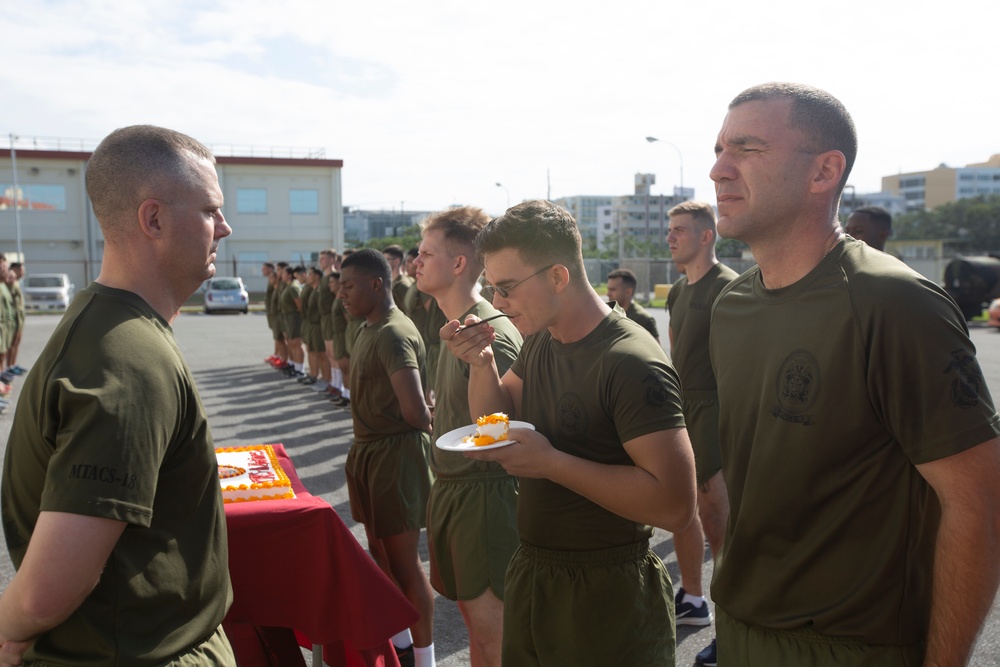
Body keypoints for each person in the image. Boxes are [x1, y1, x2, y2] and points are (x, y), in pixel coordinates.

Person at [708, 82, 1000, 666]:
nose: (718, 169)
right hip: (739, 627)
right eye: (718, 150)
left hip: (850, 646)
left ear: (824, 171)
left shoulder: (893, 302)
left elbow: (980, 502)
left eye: (747, 149)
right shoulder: (731, 306)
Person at [0, 125, 236, 665]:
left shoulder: (116, 328)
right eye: (209, 211)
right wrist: (9, 630)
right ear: (152, 219)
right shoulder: (126, 357)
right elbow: (47, 590)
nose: (224, 227)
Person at [444, 200, 697, 666]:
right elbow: (495, 422)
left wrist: (551, 464)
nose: (496, 303)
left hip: (607, 593)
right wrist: (482, 366)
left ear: (558, 277)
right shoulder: (542, 338)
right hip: (536, 572)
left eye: (506, 288)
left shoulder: (631, 360)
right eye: (493, 288)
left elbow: (677, 507)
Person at [414, 206, 522, 667]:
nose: (414, 262)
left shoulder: (488, 331)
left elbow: (504, 432)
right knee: (478, 634)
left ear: (459, 264)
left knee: (495, 639)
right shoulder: (459, 327)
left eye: (426, 253)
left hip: (485, 498)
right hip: (457, 493)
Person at [338, 248, 437, 667]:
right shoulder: (367, 329)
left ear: (376, 284)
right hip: (370, 452)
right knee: (380, 554)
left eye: (348, 286)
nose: (341, 294)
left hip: (395, 457)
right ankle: (399, 644)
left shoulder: (394, 333)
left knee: (404, 562)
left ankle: (425, 655)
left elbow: (416, 412)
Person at [664, 200, 738, 666]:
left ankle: (733, 633)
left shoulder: (728, 288)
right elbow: (677, 360)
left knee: (719, 526)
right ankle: (693, 599)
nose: (670, 237)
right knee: (680, 511)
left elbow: (737, 369)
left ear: (707, 236)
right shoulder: (676, 291)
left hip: (715, 411)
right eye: (669, 230)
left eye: (680, 231)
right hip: (684, 409)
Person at [605, 268, 659, 343]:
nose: (608, 294)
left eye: (613, 290)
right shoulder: (607, 314)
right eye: (608, 289)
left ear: (628, 292)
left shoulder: (642, 319)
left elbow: (656, 351)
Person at [3, 262, 25, 377]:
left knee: (16, 342)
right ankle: (8, 367)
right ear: (14, 269)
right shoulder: (9, 281)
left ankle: (12, 365)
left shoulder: (16, 281)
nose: (23, 272)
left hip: (18, 316)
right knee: (10, 344)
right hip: (12, 317)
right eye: (21, 270)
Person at [384, 244, 415, 312]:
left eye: (387, 259)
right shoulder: (393, 282)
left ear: (396, 261)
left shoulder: (402, 285)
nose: (383, 262)